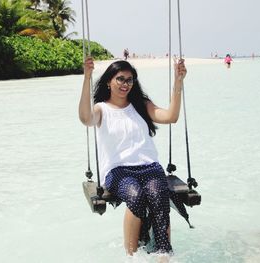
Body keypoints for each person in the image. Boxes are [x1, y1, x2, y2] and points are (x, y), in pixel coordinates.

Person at [79, 57, 186, 259]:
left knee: (159, 195)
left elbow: (171, 117)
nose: (125, 84)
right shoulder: (101, 109)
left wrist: (178, 82)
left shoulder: (141, 105)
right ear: (109, 82)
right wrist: (86, 78)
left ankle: (164, 254)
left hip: (149, 166)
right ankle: (132, 257)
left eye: (129, 80)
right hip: (117, 170)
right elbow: (85, 118)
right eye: (120, 79)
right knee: (136, 196)